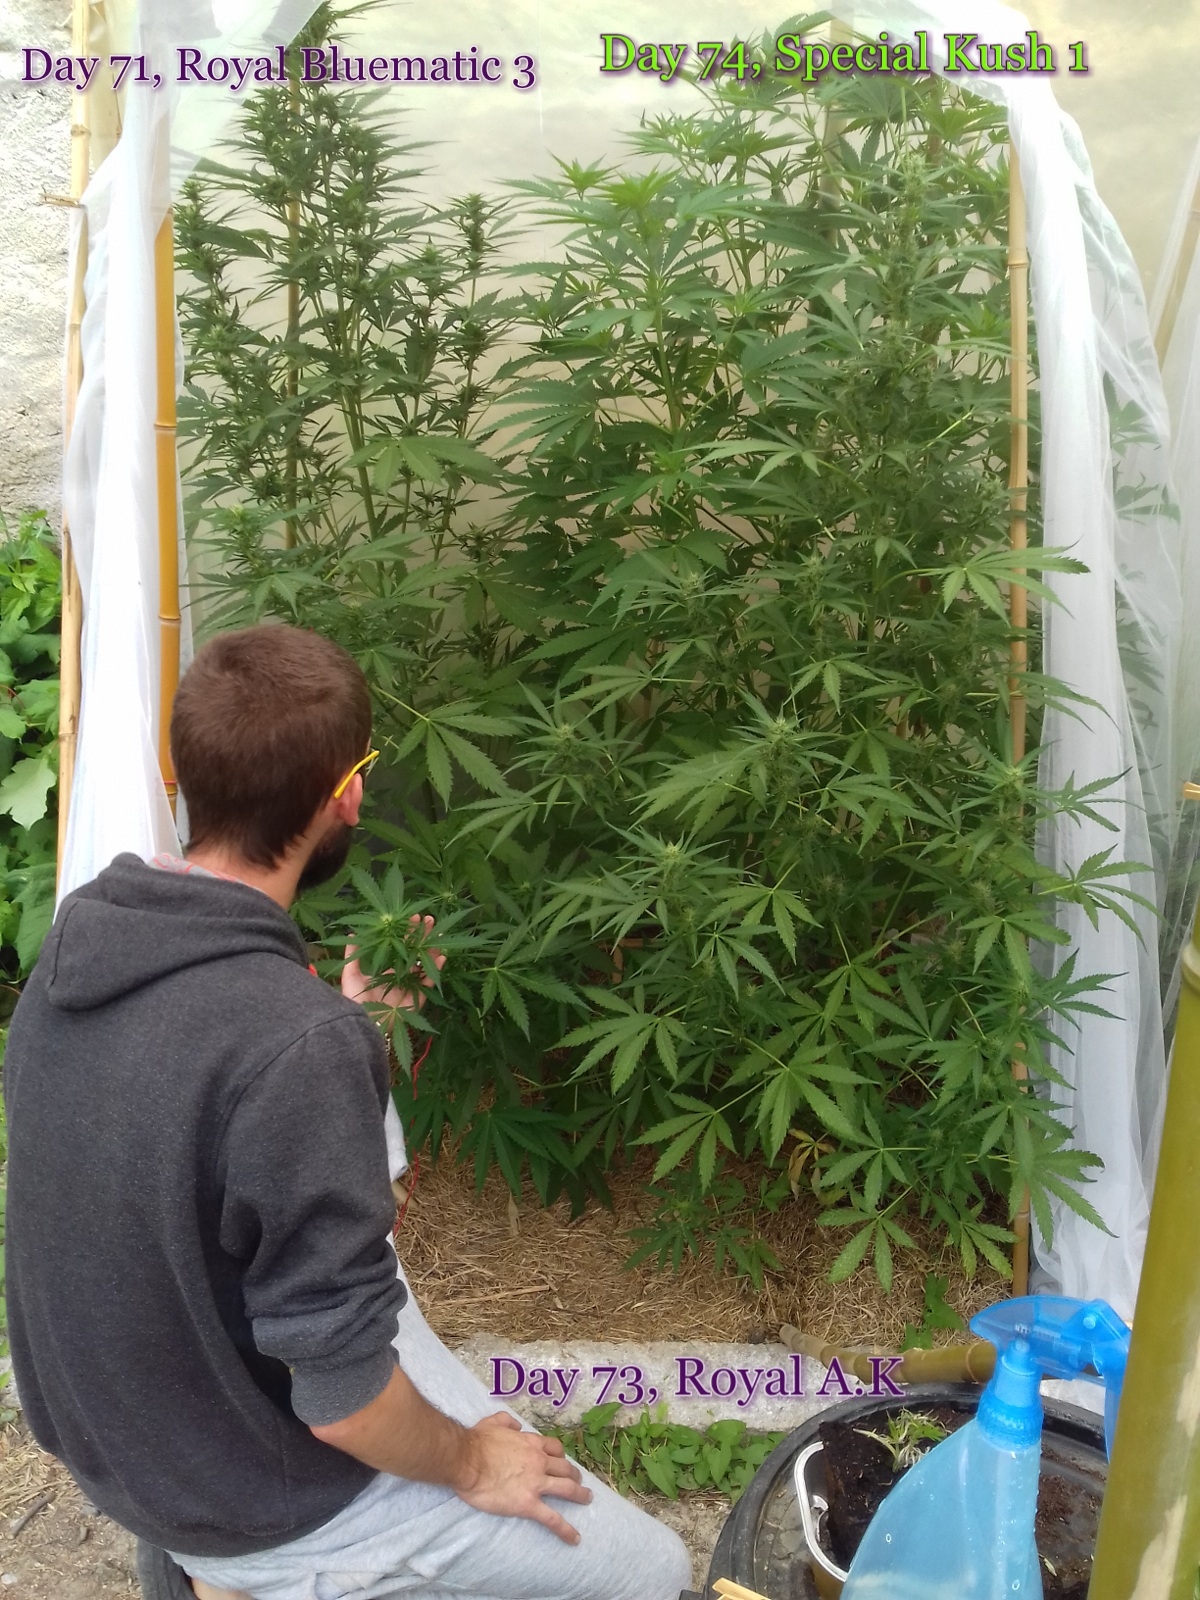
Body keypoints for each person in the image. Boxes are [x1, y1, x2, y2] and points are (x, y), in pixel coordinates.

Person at [4, 624, 691, 1600]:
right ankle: (240, 1571)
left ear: (184, 776)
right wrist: (471, 1461)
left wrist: (352, 1024)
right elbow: (343, 1400)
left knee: (385, 1297)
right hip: (239, 1486)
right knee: (651, 1571)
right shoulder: (293, 1043)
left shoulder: (81, 945)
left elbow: (216, 1140)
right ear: (347, 795)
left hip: (118, 1433)